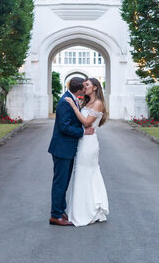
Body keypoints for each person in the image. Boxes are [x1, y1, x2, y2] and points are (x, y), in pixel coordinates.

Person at [48, 76, 95, 226]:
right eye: (84, 86)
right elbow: (65, 127)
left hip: (66, 148)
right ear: (79, 89)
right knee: (60, 183)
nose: (86, 88)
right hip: (62, 149)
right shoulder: (65, 102)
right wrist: (83, 132)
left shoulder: (72, 99)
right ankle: (56, 215)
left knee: (64, 182)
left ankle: (60, 211)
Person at [64, 77, 109, 226]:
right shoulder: (86, 101)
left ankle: (90, 211)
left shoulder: (98, 103)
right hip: (82, 141)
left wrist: (74, 106)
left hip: (89, 143)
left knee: (87, 173)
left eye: (87, 85)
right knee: (81, 174)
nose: (85, 88)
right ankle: (81, 209)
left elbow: (86, 122)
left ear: (95, 87)